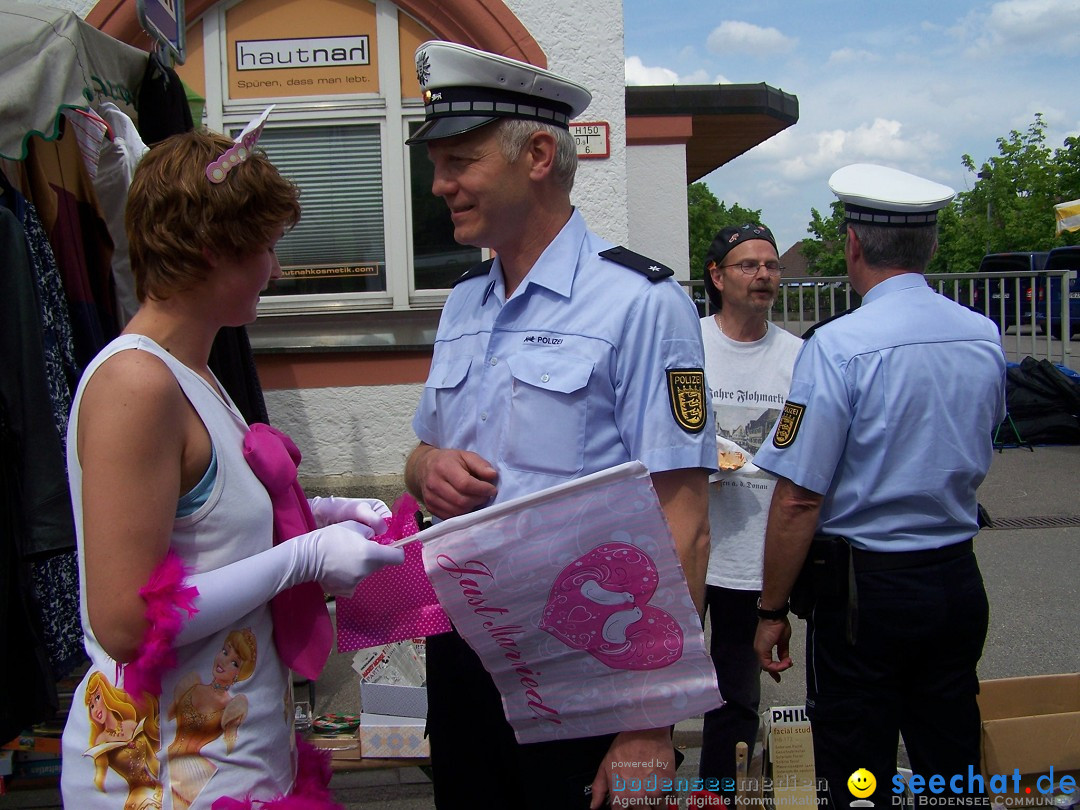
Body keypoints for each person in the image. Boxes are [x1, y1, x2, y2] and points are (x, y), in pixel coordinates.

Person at [402, 41, 716, 810]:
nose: (440, 184)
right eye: (437, 162)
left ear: (538, 153)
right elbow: (419, 455)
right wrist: (427, 467)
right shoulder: (464, 303)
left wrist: (648, 721)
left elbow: (683, 518)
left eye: (460, 160)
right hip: (466, 653)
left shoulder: (642, 303)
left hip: (589, 660)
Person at [61, 125, 404, 809]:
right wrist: (303, 558)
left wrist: (325, 515)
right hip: (160, 781)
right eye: (267, 248)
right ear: (210, 250)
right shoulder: (138, 384)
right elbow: (126, 622)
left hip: (233, 763)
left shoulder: (195, 373)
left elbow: (209, 536)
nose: (275, 269)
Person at [751, 164, 1007, 806]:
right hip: (953, 574)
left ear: (853, 244)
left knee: (857, 769)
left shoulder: (837, 347)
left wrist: (771, 609)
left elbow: (799, 496)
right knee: (950, 757)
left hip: (865, 590)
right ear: (933, 246)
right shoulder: (983, 335)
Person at [696, 224, 802, 797]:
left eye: (771, 265)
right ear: (717, 276)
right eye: (748, 265)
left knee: (734, 694)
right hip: (685, 544)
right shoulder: (687, 345)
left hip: (750, 552)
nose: (763, 275)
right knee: (663, 686)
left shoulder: (797, 357)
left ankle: (717, 796)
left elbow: (799, 450)